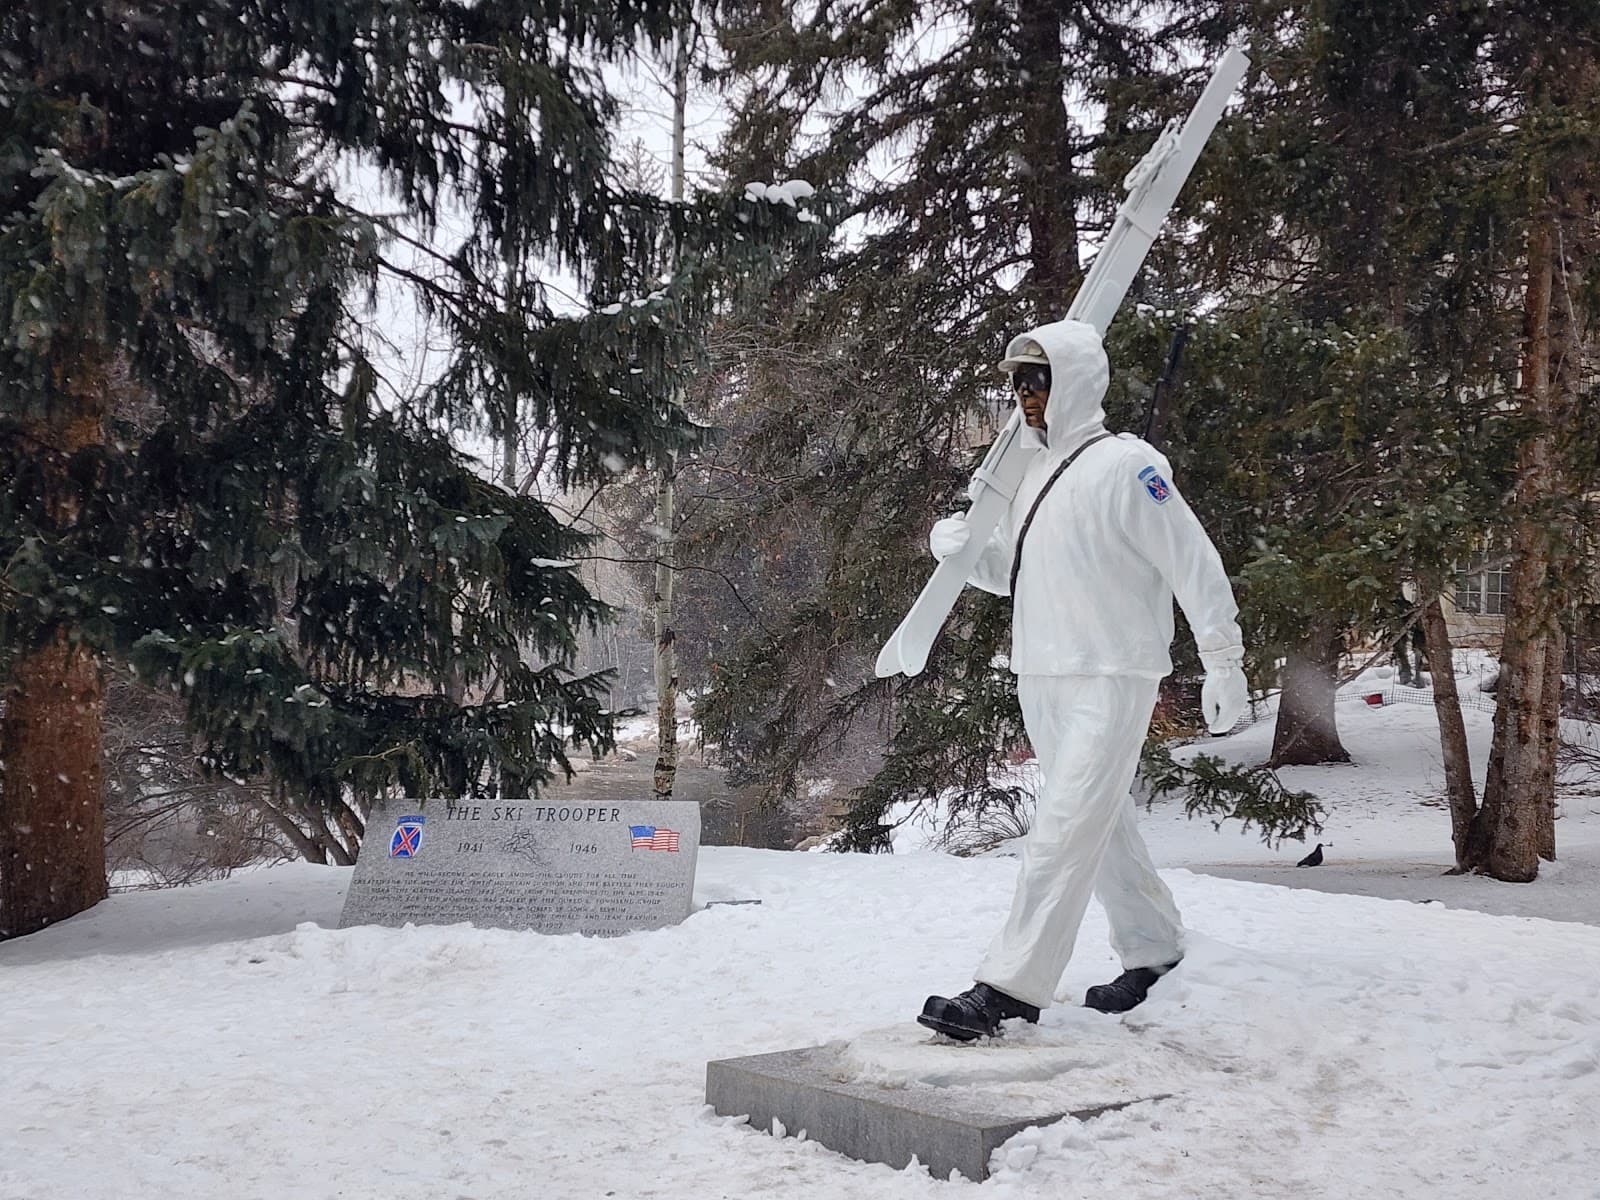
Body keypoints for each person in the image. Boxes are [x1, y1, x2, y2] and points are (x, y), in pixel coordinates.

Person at [918, 318, 1248, 1042]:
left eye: (1039, 379)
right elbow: (1015, 573)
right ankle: (1154, 947)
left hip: (1112, 670)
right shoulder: (1030, 475)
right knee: (1101, 823)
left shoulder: (1130, 466)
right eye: (1017, 382)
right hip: (1043, 671)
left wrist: (1224, 659)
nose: (1027, 395)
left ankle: (1009, 986)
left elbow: (1193, 562)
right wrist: (964, 551)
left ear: (1073, 383)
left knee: (1062, 829)